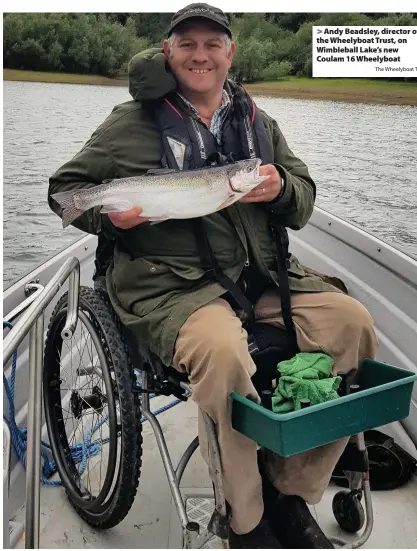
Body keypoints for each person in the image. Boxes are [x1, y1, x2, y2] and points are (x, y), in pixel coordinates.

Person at [48, 4, 378, 548]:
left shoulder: (258, 123)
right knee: (225, 353)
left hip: (260, 279)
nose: (200, 55)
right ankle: (247, 522)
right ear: (168, 52)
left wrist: (282, 190)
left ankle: (291, 491)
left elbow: (303, 200)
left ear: (230, 53)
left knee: (354, 324)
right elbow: (64, 193)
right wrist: (107, 216)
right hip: (169, 288)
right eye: (187, 44)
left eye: (212, 44)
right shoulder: (126, 125)